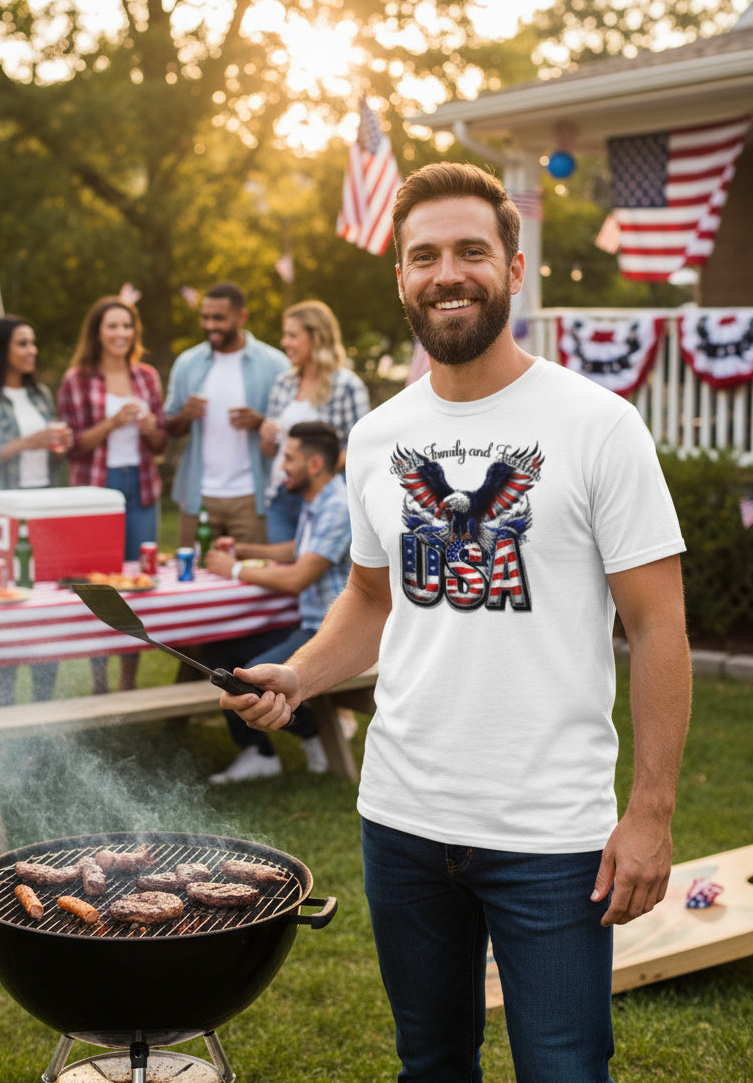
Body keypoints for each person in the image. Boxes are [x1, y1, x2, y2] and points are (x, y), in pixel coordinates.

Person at [217, 162, 692, 1082]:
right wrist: (300, 675)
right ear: (400, 276)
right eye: (424, 256)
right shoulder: (376, 438)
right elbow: (371, 596)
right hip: (401, 818)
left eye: (471, 251)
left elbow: (658, 629)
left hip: (550, 832)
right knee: (431, 1063)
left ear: (513, 268)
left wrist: (651, 812)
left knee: (564, 1069)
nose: (447, 273)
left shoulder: (598, 425)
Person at [204, 421, 352, 782]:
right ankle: (259, 753)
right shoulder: (318, 500)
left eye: (288, 458)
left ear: (314, 464)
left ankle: (314, 735)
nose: (281, 466)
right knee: (218, 650)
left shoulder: (338, 507)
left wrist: (234, 568)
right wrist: (243, 550)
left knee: (249, 678)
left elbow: (298, 576)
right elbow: (299, 550)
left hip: (330, 632)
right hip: (308, 623)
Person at [0, 315, 69, 705]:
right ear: (1, 349)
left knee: (48, 610)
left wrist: (58, 445)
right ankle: (4, 707)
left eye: (33, 343)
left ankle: (42, 705)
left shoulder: (41, 395)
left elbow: (47, 456)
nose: (32, 350)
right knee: (7, 608)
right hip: (1, 517)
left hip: (43, 512)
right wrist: (25, 442)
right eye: (23, 343)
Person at [58, 295, 167, 692]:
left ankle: (128, 682)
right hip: (97, 492)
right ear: (97, 332)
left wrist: (151, 429)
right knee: (100, 586)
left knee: (136, 583)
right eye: (113, 326)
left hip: (140, 485)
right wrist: (114, 422)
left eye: (127, 325)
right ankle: (100, 682)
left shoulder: (147, 377)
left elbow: (161, 444)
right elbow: (73, 445)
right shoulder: (77, 380)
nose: (121, 333)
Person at [164, 282, 288, 547]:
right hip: (198, 494)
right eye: (205, 317)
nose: (210, 325)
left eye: (219, 318)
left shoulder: (275, 364)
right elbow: (169, 428)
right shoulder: (187, 363)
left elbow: (290, 430)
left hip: (251, 496)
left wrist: (259, 422)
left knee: (253, 570)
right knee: (193, 570)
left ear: (241, 317)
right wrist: (185, 415)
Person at [260, 300, 369, 543]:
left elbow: (361, 448)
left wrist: (317, 469)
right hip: (282, 495)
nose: (284, 342)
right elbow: (269, 451)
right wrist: (266, 436)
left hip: (324, 499)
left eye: (292, 336)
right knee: (281, 564)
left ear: (316, 338)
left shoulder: (347, 386)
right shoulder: (282, 383)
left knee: (316, 564)